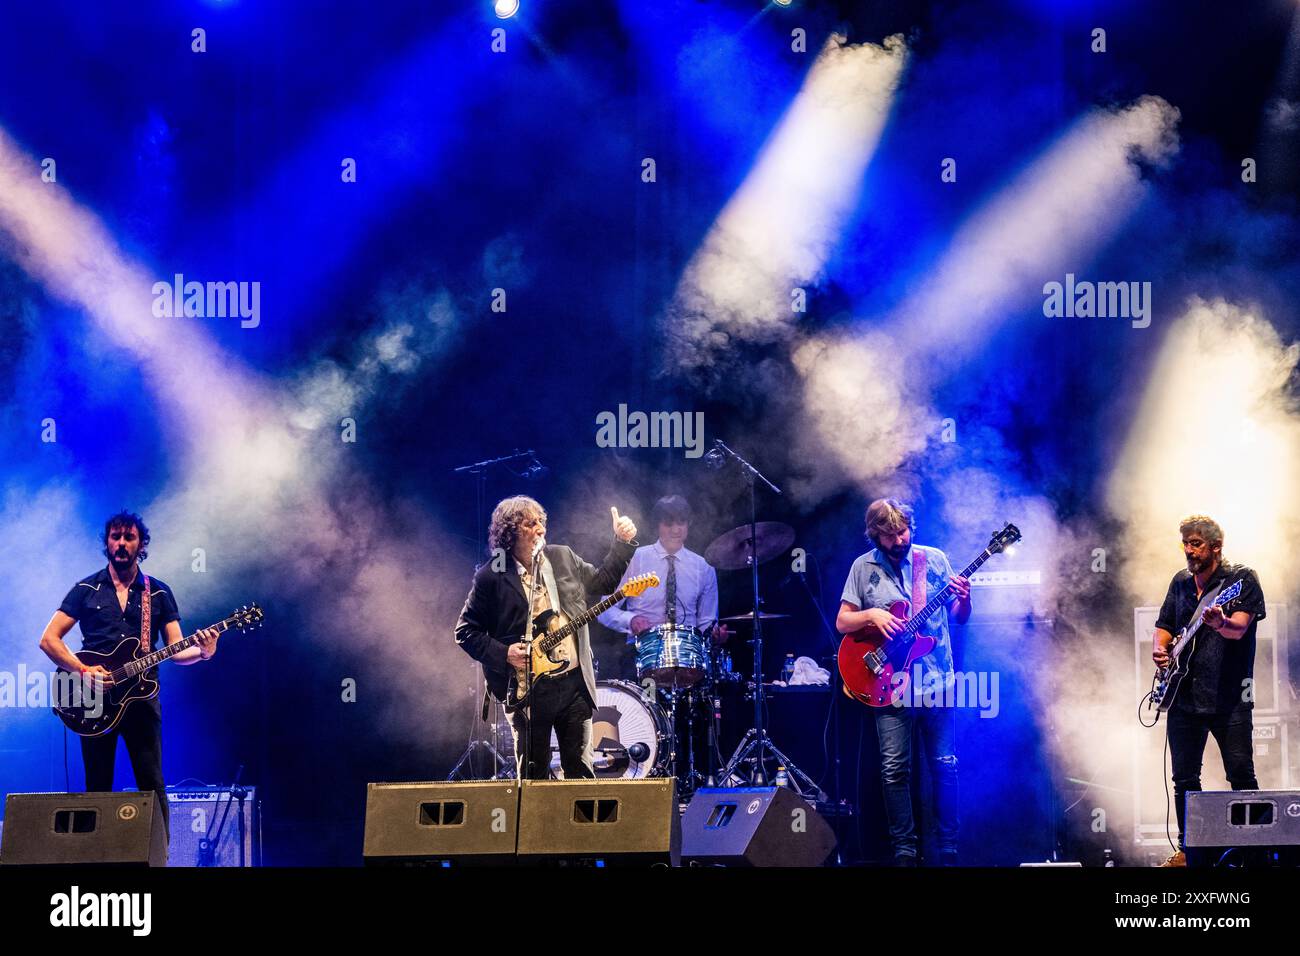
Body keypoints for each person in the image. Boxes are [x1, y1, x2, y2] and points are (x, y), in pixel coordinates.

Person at [38, 510, 219, 836]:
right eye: (115, 537)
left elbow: (177, 649)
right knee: (96, 786)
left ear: (141, 544)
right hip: (92, 700)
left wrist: (204, 652)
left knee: (151, 782)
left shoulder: (158, 592)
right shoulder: (85, 588)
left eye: (129, 537)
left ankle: (160, 854)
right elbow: (49, 640)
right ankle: (91, 859)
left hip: (141, 701)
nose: (121, 543)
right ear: (107, 542)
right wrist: (81, 670)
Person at [455, 496, 637, 779]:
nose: (540, 529)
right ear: (510, 532)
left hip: (574, 683)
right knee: (533, 775)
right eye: (530, 524)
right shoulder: (491, 577)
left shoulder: (562, 557)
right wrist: (505, 653)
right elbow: (465, 632)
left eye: (541, 522)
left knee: (580, 771)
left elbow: (604, 582)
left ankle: (582, 823)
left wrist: (621, 543)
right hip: (528, 690)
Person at [835, 498, 970, 866]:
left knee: (945, 765)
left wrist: (964, 600)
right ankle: (904, 851)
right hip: (891, 685)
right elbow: (843, 622)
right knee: (894, 770)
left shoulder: (935, 559)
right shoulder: (862, 568)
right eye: (890, 535)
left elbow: (959, 618)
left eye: (903, 531)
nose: (899, 540)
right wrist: (873, 613)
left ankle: (949, 848)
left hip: (937, 681)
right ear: (874, 534)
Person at [1152, 514, 1265, 867]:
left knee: (1240, 773)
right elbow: (1164, 626)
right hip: (1184, 696)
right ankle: (1190, 850)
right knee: (1185, 777)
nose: (1189, 550)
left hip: (1228, 697)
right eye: (1185, 542)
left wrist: (1221, 622)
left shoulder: (1240, 580)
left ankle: (1253, 851)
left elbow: (1238, 629)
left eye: (1196, 543)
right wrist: (1161, 649)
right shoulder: (1181, 583)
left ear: (1216, 546)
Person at [598, 493, 726, 653]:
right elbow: (604, 610)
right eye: (668, 523)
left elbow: (706, 622)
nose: (676, 530)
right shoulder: (634, 559)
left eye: (681, 522)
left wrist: (713, 634)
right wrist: (631, 620)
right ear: (657, 525)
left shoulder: (704, 567)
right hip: (642, 652)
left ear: (689, 524)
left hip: (688, 656)